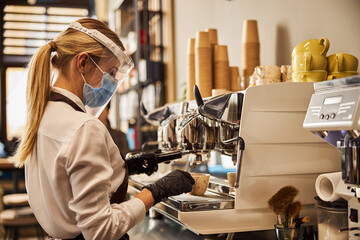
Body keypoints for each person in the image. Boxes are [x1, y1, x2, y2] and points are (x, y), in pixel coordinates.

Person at [14, 18, 194, 240]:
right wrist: (156, 192)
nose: (111, 84)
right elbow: (101, 230)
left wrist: (124, 167)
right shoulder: (84, 128)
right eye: (110, 72)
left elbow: (66, 183)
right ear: (83, 63)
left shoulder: (41, 117)